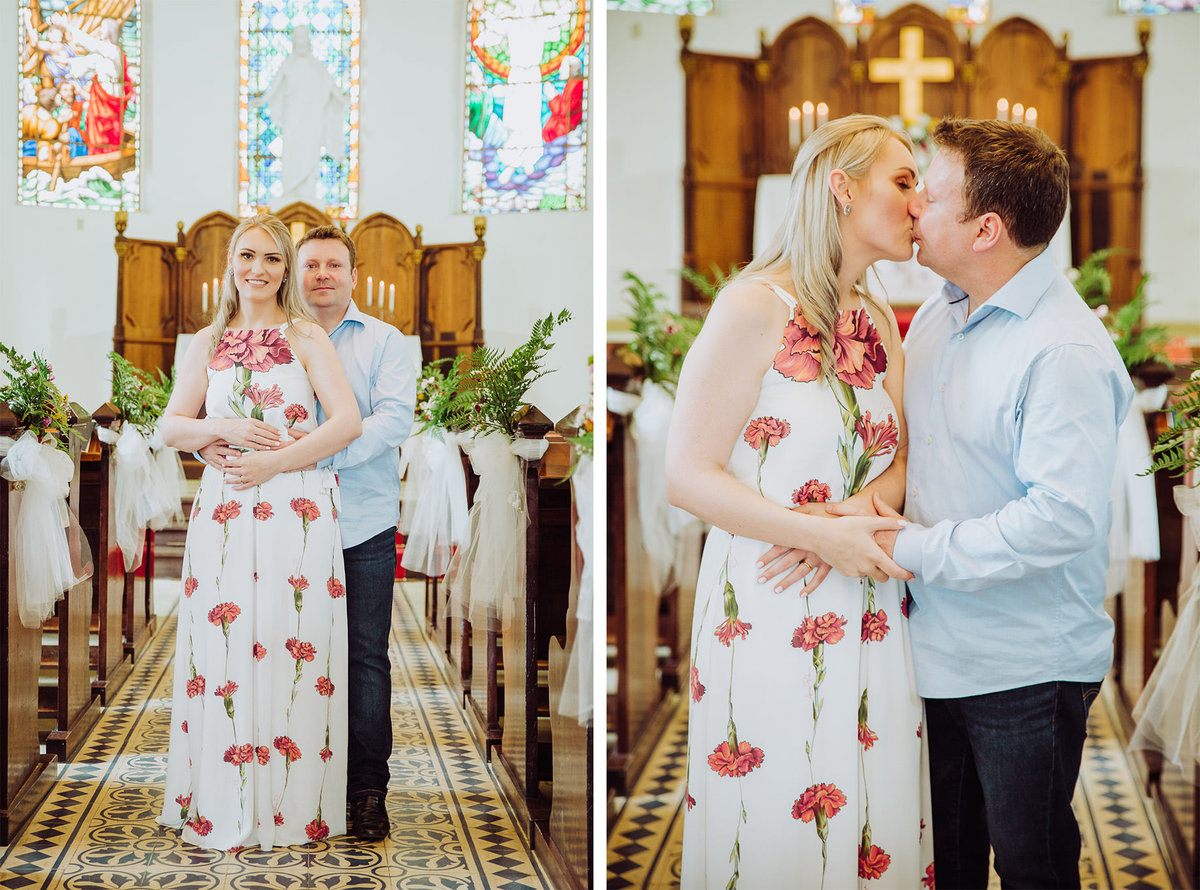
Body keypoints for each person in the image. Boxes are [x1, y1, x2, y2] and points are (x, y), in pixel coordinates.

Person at [667, 114, 932, 889]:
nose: (919, 203)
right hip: (769, 596)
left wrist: (851, 520)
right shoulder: (751, 307)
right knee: (780, 800)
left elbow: (905, 456)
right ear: (841, 188)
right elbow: (687, 475)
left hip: (869, 600)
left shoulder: (877, 321)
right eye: (903, 182)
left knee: (869, 799)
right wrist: (815, 537)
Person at [878, 119, 1133, 888]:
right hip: (931, 647)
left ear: (985, 229)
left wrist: (906, 547)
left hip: (1024, 665)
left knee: (1031, 867)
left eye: (932, 193)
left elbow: (1060, 518)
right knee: (944, 862)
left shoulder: (1063, 350)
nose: (914, 204)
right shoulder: (938, 310)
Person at [200, 224, 416, 841]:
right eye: (311, 264)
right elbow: (222, 412)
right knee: (280, 645)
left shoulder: (385, 341)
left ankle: (366, 789)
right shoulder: (261, 335)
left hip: (360, 518)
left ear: (353, 275)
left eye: (334, 265)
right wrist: (216, 446)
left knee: (363, 656)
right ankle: (294, 784)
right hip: (277, 526)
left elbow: (392, 420)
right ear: (294, 273)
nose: (322, 275)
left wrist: (310, 455)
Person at [157, 213, 362, 850]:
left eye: (273, 258)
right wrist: (220, 432)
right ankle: (223, 800)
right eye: (247, 255)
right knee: (225, 645)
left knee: (287, 635)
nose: (258, 269)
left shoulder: (306, 335)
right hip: (225, 508)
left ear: (285, 269)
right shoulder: (206, 341)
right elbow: (172, 426)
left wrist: (276, 461)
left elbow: (348, 422)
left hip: (295, 505)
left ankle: (288, 804)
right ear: (230, 263)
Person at [252, 25, 349, 205]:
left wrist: (343, 100)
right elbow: (275, 88)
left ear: (308, 41)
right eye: (297, 38)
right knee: (291, 150)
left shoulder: (317, 66)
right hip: (293, 116)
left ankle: (307, 190)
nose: (300, 42)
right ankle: (291, 189)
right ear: (293, 41)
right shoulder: (288, 64)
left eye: (303, 38)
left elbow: (331, 87)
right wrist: (262, 100)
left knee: (310, 151)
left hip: (311, 116)